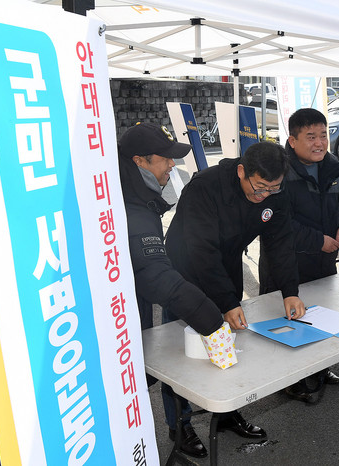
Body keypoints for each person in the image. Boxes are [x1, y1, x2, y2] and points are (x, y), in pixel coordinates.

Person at [164, 141, 306, 447]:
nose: (264, 195)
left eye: (273, 188)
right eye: (259, 187)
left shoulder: (275, 191)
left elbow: (281, 242)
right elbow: (201, 251)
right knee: (179, 352)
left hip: (226, 263)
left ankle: (227, 413)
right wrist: (227, 301)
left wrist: (290, 291)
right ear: (242, 171)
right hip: (183, 269)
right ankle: (180, 425)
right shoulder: (205, 187)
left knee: (228, 342)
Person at [117, 122, 224, 459]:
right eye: (165, 158)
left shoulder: (133, 195)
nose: (172, 165)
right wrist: (212, 322)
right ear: (139, 161)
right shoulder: (131, 209)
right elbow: (156, 276)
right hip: (115, 324)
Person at [259, 108, 339, 402]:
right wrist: (317, 241)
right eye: (311, 137)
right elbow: (279, 224)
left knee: (321, 314)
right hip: (288, 261)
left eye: (323, 135)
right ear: (292, 140)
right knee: (286, 321)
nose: (319, 143)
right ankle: (288, 380)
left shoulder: (334, 166)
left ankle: (320, 369)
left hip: (324, 259)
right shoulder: (279, 171)